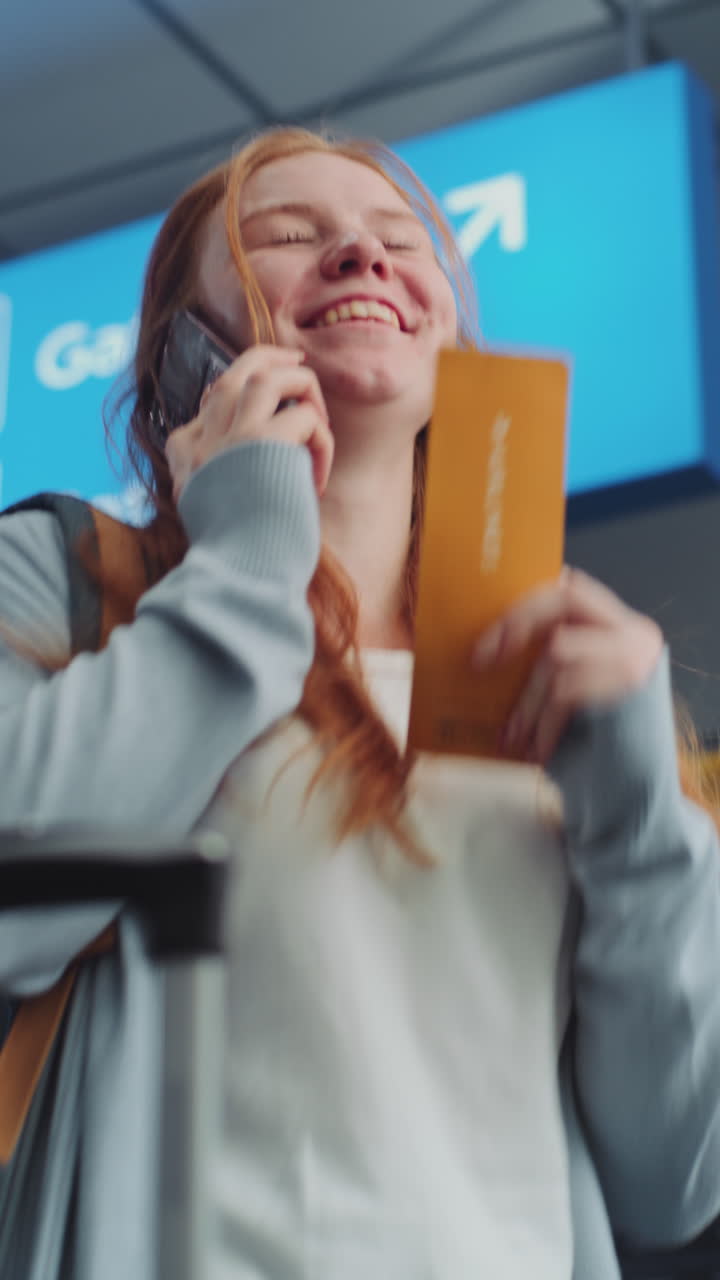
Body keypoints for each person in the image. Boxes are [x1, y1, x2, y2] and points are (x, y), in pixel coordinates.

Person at [0, 124, 719, 1280]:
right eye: (288, 235)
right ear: (182, 358)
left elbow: (672, 1173)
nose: (361, 257)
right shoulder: (69, 582)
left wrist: (640, 815)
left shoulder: (569, 684)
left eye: (402, 240)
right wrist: (241, 570)